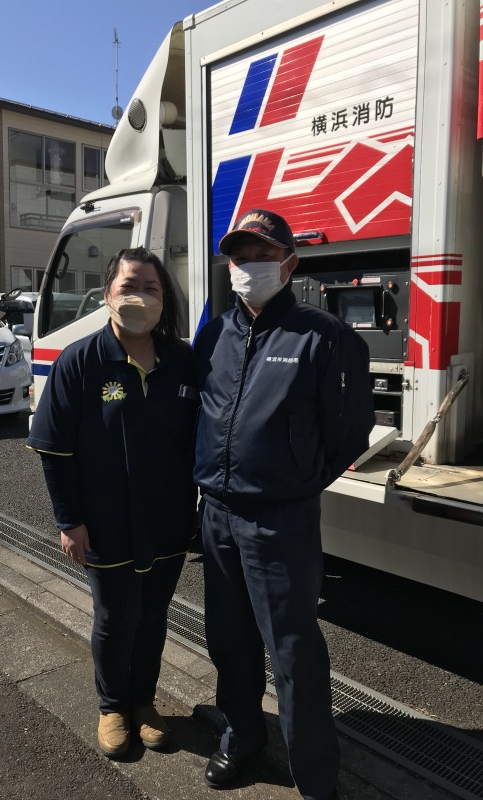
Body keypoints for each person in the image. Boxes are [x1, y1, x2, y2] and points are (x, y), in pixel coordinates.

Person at [193, 209, 375, 800]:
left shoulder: (324, 336)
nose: (250, 267)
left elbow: (350, 429)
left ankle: (316, 777)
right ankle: (242, 736)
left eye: (264, 256)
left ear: (290, 264)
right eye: (240, 257)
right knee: (228, 638)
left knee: (293, 650)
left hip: (280, 520)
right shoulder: (213, 334)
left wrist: (298, 480)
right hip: (217, 513)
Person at [27, 247, 198, 759]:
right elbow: (54, 449)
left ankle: (143, 702)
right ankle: (111, 707)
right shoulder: (79, 361)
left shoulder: (183, 361)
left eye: (151, 288)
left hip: (168, 520)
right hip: (104, 523)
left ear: (165, 300)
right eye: (129, 286)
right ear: (107, 295)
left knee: (153, 615)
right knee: (116, 617)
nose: (140, 296)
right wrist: (69, 521)